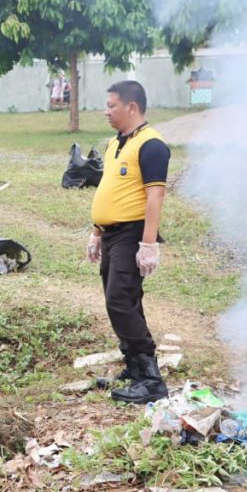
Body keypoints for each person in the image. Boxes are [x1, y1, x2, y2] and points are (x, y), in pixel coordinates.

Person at [86, 80, 170, 405]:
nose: (106, 111)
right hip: (111, 234)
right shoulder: (114, 144)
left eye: (112, 105)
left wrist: (148, 244)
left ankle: (150, 380)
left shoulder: (152, 145)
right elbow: (110, 189)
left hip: (131, 234)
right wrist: (97, 231)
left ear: (131, 107)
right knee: (122, 300)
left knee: (119, 301)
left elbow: (155, 196)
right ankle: (135, 369)